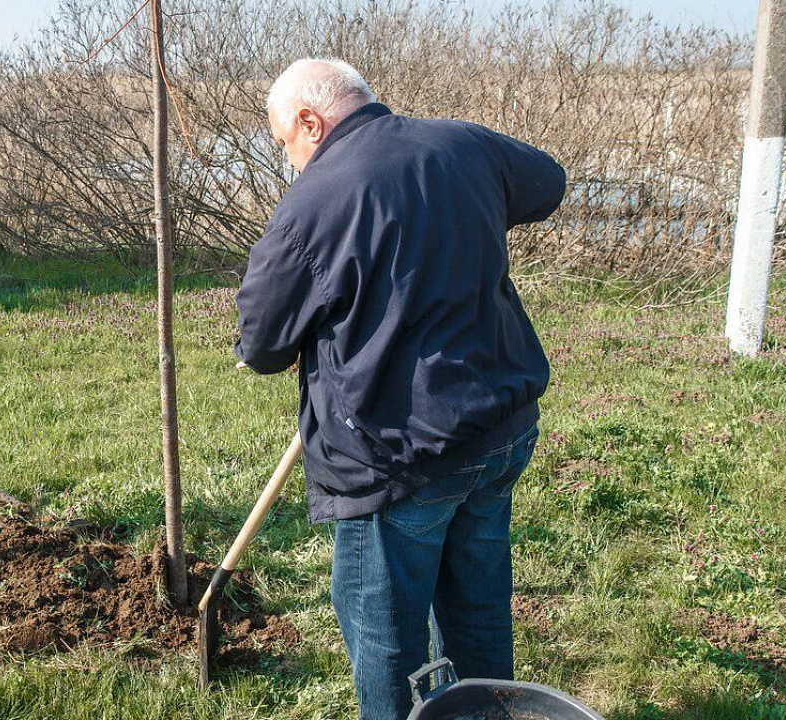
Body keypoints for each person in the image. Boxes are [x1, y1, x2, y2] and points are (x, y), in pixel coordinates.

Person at [234, 58, 566, 719]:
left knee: (386, 638)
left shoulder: (314, 201)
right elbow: (548, 182)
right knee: (477, 613)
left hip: (397, 460)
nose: (291, 160)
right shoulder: (462, 144)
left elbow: (264, 343)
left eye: (285, 144)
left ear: (311, 120)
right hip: (497, 433)